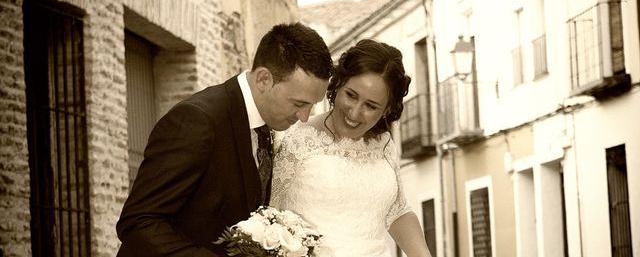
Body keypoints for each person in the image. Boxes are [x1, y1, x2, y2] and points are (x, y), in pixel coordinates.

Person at [116, 22, 333, 257]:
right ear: (263, 80)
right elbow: (138, 222)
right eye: (299, 104)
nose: (304, 117)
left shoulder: (266, 126)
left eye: (312, 105)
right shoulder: (196, 120)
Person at [270, 39, 433, 257]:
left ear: (387, 110)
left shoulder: (383, 144)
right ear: (338, 84)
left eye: (371, 106)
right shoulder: (294, 138)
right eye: (351, 95)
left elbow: (398, 211)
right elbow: (269, 214)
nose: (354, 113)